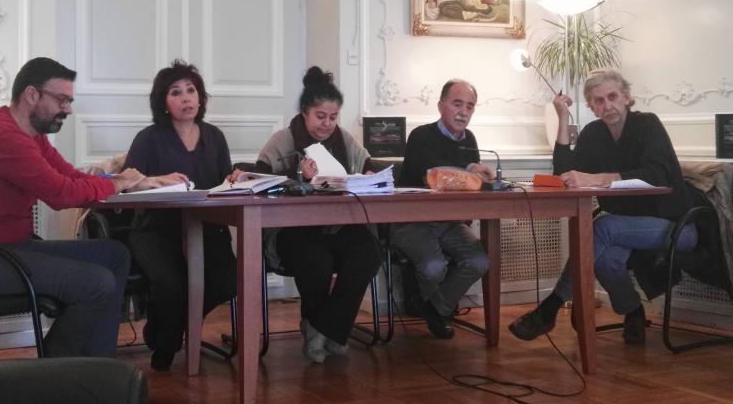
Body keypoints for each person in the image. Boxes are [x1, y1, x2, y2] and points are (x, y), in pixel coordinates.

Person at [0, 57, 180, 357]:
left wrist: (132, 182)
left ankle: (98, 367)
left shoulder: (29, 135)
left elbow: (70, 176)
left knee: (114, 255)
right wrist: (118, 183)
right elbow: (61, 194)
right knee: (95, 283)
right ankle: (54, 373)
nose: (69, 109)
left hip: (5, 249)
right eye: (62, 100)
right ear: (31, 94)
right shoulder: (3, 136)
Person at [508, 69, 698, 345]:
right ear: (591, 106)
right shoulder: (594, 133)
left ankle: (550, 307)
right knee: (606, 260)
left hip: (676, 224)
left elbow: (657, 175)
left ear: (626, 97)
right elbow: (563, 173)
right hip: (626, 227)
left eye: (612, 96)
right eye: (599, 100)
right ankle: (633, 311)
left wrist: (598, 178)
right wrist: (563, 119)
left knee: (601, 227)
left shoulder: (647, 124)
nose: (607, 105)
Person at [254, 66, 382, 364]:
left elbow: (369, 165)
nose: (327, 124)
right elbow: (259, 183)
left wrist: (369, 174)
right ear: (304, 113)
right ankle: (330, 331)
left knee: (368, 253)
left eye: (333, 117)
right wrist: (296, 174)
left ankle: (325, 327)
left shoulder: (344, 139)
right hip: (291, 230)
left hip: (338, 226)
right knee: (316, 260)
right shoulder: (283, 140)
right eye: (320, 116)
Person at [123, 60, 237, 371]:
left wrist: (236, 179)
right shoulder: (148, 138)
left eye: (191, 90)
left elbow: (224, 182)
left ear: (201, 98)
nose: (186, 98)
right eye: (176, 92)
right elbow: (126, 183)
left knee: (228, 280)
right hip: (156, 229)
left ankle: (166, 327)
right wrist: (154, 181)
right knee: (172, 283)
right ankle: (167, 344)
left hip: (207, 226)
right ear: (163, 102)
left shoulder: (214, 136)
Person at [392, 79, 492, 339]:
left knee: (479, 261)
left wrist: (484, 178)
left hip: (449, 222)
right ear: (441, 106)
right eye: (457, 104)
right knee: (434, 267)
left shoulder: (469, 139)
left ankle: (434, 308)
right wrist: (470, 170)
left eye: (470, 106)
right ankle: (434, 309)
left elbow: (470, 185)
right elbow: (435, 175)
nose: (463, 112)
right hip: (412, 221)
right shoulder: (420, 136)